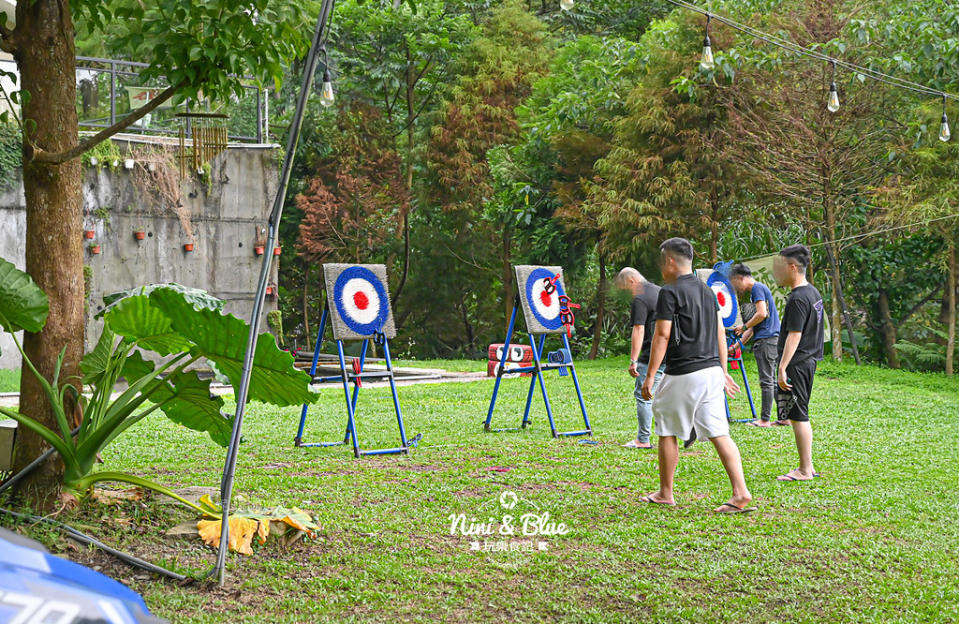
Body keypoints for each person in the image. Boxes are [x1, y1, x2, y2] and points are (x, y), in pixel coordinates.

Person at [640, 238, 755, 513]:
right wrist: (723, 372)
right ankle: (741, 493)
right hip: (711, 372)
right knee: (719, 432)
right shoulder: (707, 290)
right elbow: (719, 331)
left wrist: (650, 375)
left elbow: (662, 335)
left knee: (666, 428)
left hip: (684, 373)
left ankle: (665, 493)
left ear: (669, 260)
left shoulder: (669, 292)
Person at [772, 244, 825, 482]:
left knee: (798, 414)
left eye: (780, 267)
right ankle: (808, 466)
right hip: (808, 360)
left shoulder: (798, 299)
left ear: (793, 268)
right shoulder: (812, 293)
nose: (777, 272)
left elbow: (795, 335)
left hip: (798, 362)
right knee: (798, 413)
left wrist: (782, 367)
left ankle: (804, 470)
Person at [728, 262, 784, 427]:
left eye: (734, 283)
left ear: (740, 278)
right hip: (770, 339)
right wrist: (736, 346)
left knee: (767, 381)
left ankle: (764, 420)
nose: (735, 288)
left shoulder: (756, 289)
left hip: (767, 341)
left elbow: (761, 314)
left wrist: (743, 326)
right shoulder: (759, 289)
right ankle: (785, 417)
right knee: (772, 381)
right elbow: (753, 327)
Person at [614, 267, 662, 449]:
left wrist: (633, 359)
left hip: (651, 353)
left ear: (631, 281)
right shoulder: (660, 291)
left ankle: (643, 439)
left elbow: (638, 328)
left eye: (625, 289)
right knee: (663, 394)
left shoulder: (640, 297)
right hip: (669, 351)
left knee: (644, 395)